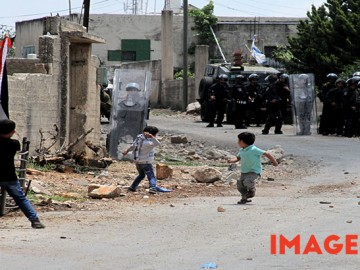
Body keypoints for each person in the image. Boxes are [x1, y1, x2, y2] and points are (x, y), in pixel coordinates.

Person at [0, 119, 45, 229]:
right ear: (13, 132)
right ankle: (35, 220)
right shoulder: (14, 143)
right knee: (21, 199)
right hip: (10, 177)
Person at [227, 132, 278, 204]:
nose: (237, 142)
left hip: (254, 171)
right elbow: (238, 158)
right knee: (240, 184)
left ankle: (252, 191)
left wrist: (274, 162)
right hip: (244, 171)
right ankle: (244, 198)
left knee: (248, 181)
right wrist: (232, 160)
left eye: (238, 140)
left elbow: (267, 153)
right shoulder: (242, 150)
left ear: (242, 141)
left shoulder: (254, 149)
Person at [122, 126, 160, 194]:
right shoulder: (148, 143)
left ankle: (133, 187)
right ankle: (153, 188)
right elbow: (158, 143)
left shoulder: (138, 139)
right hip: (146, 162)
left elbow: (132, 147)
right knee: (151, 176)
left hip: (137, 162)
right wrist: (152, 137)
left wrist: (127, 151)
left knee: (141, 175)